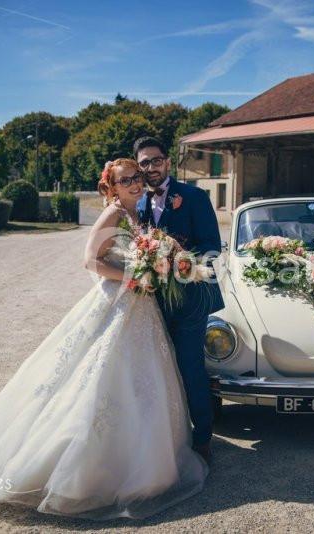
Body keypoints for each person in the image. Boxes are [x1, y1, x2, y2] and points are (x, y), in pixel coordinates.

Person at [0, 158, 209, 520]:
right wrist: (134, 274)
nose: (134, 183)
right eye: (125, 180)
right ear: (112, 187)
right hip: (117, 304)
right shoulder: (113, 215)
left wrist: (157, 267)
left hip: (140, 309)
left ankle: (144, 455)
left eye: (136, 177)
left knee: (139, 381)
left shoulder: (138, 216)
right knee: (97, 377)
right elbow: (90, 260)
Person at [134, 136, 225, 463]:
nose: (150, 168)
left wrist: (176, 260)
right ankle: (167, 437)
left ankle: (203, 439)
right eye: (144, 163)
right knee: (156, 368)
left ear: (168, 162)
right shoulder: (139, 202)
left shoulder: (194, 196)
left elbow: (212, 245)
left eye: (155, 160)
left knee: (189, 367)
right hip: (152, 303)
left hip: (191, 300)